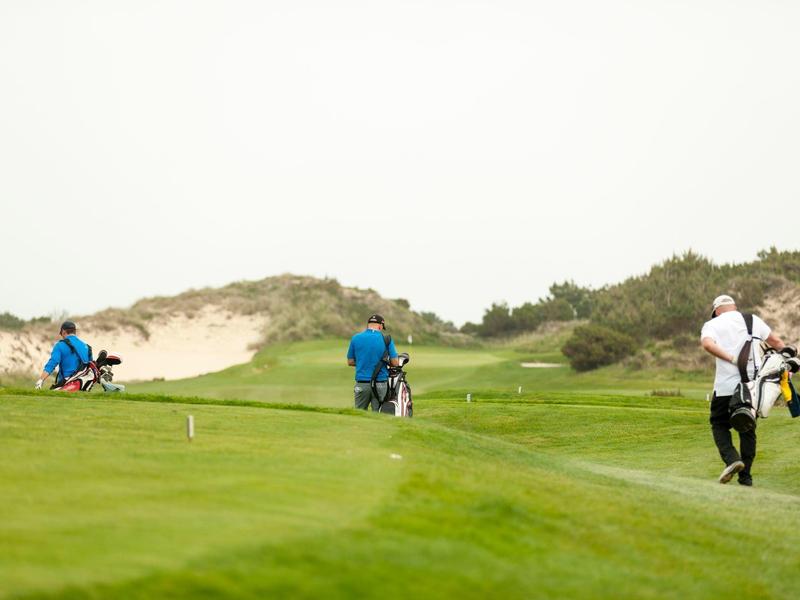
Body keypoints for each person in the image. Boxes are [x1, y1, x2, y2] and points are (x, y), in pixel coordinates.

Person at [700, 295, 785, 486]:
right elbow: (778, 343)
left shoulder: (712, 324)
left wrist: (730, 358)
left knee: (719, 424)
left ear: (717, 311)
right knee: (747, 429)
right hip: (750, 388)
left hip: (724, 388)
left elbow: (707, 344)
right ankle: (745, 478)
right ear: (734, 307)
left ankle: (732, 459)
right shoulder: (752, 320)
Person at [347, 314, 399, 410]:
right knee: (379, 415)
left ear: (368, 325)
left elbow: (350, 362)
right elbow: (395, 362)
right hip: (380, 383)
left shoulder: (355, 338)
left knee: (360, 414)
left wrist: (364, 362)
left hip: (362, 384)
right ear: (380, 326)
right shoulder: (387, 339)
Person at [35, 321, 93, 390]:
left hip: (66, 386)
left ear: (63, 332)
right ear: (75, 332)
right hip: (82, 386)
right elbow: (90, 368)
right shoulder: (87, 347)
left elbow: (52, 363)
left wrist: (41, 380)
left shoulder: (60, 345)